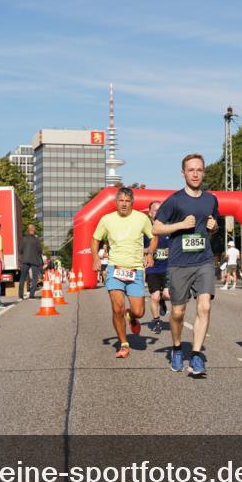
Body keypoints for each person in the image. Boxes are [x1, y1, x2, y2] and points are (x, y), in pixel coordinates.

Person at [153, 153, 221, 377]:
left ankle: (197, 356)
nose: (195, 173)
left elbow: (214, 228)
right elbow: (156, 228)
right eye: (190, 170)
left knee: (204, 307)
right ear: (183, 173)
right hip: (179, 263)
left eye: (199, 169)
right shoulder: (174, 200)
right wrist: (180, 225)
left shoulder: (210, 200)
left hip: (203, 260)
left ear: (203, 172)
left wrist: (214, 227)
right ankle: (176, 349)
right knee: (178, 312)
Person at [92, 186, 153, 358]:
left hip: (136, 270)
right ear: (116, 202)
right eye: (121, 201)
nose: (124, 204)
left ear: (132, 202)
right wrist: (96, 258)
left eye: (127, 201)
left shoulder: (142, 218)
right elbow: (95, 238)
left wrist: (150, 253)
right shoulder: (106, 219)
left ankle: (131, 315)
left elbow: (153, 236)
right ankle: (124, 343)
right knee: (117, 308)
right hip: (115, 269)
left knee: (139, 312)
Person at [144, 201, 171, 334]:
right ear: (150, 213)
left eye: (160, 210)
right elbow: (139, 248)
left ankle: (162, 301)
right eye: (155, 210)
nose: (158, 212)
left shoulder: (169, 228)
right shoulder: (145, 230)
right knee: (154, 296)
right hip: (153, 268)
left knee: (167, 295)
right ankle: (156, 320)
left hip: (168, 268)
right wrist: (149, 251)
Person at [18, 224, 43, 300]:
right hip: (35, 260)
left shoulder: (24, 239)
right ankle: (31, 294)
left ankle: (21, 295)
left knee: (23, 277)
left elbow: (21, 250)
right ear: (34, 230)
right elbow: (40, 251)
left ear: (28, 230)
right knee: (35, 278)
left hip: (25, 260)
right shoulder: (36, 240)